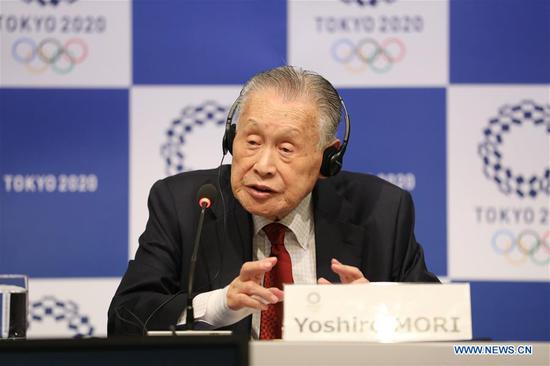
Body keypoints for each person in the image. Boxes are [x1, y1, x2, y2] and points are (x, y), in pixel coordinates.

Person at [108, 66, 439, 338]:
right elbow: (125, 319)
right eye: (251, 141)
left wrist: (379, 311)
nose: (262, 166)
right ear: (231, 139)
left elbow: (446, 331)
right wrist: (218, 305)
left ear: (328, 158)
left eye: (286, 149)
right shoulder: (185, 203)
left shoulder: (382, 210)